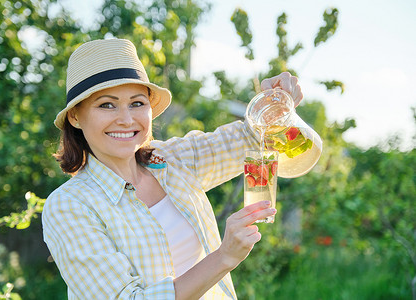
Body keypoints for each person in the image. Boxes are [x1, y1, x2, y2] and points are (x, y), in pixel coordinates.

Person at [42, 38, 303, 299]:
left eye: (137, 103)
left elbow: (250, 134)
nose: (126, 119)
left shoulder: (172, 161)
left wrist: (277, 100)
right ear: (75, 116)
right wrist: (224, 257)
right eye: (106, 105)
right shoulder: (69, 206)